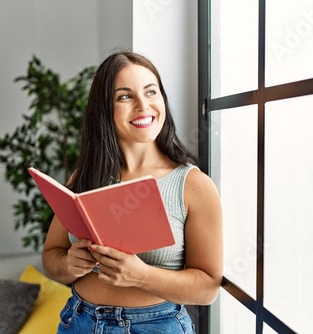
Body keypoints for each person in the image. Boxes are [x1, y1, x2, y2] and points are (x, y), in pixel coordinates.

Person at [42, 50, 223, 334]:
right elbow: (52, 256)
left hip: (156, 326)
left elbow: (207, 290)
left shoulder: (193, 185)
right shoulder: (86, 176)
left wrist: (141, 276)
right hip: (80, 321)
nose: (143, 105)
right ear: (104, 109)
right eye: (125, 96)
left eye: (151, 92)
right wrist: (69, 264)